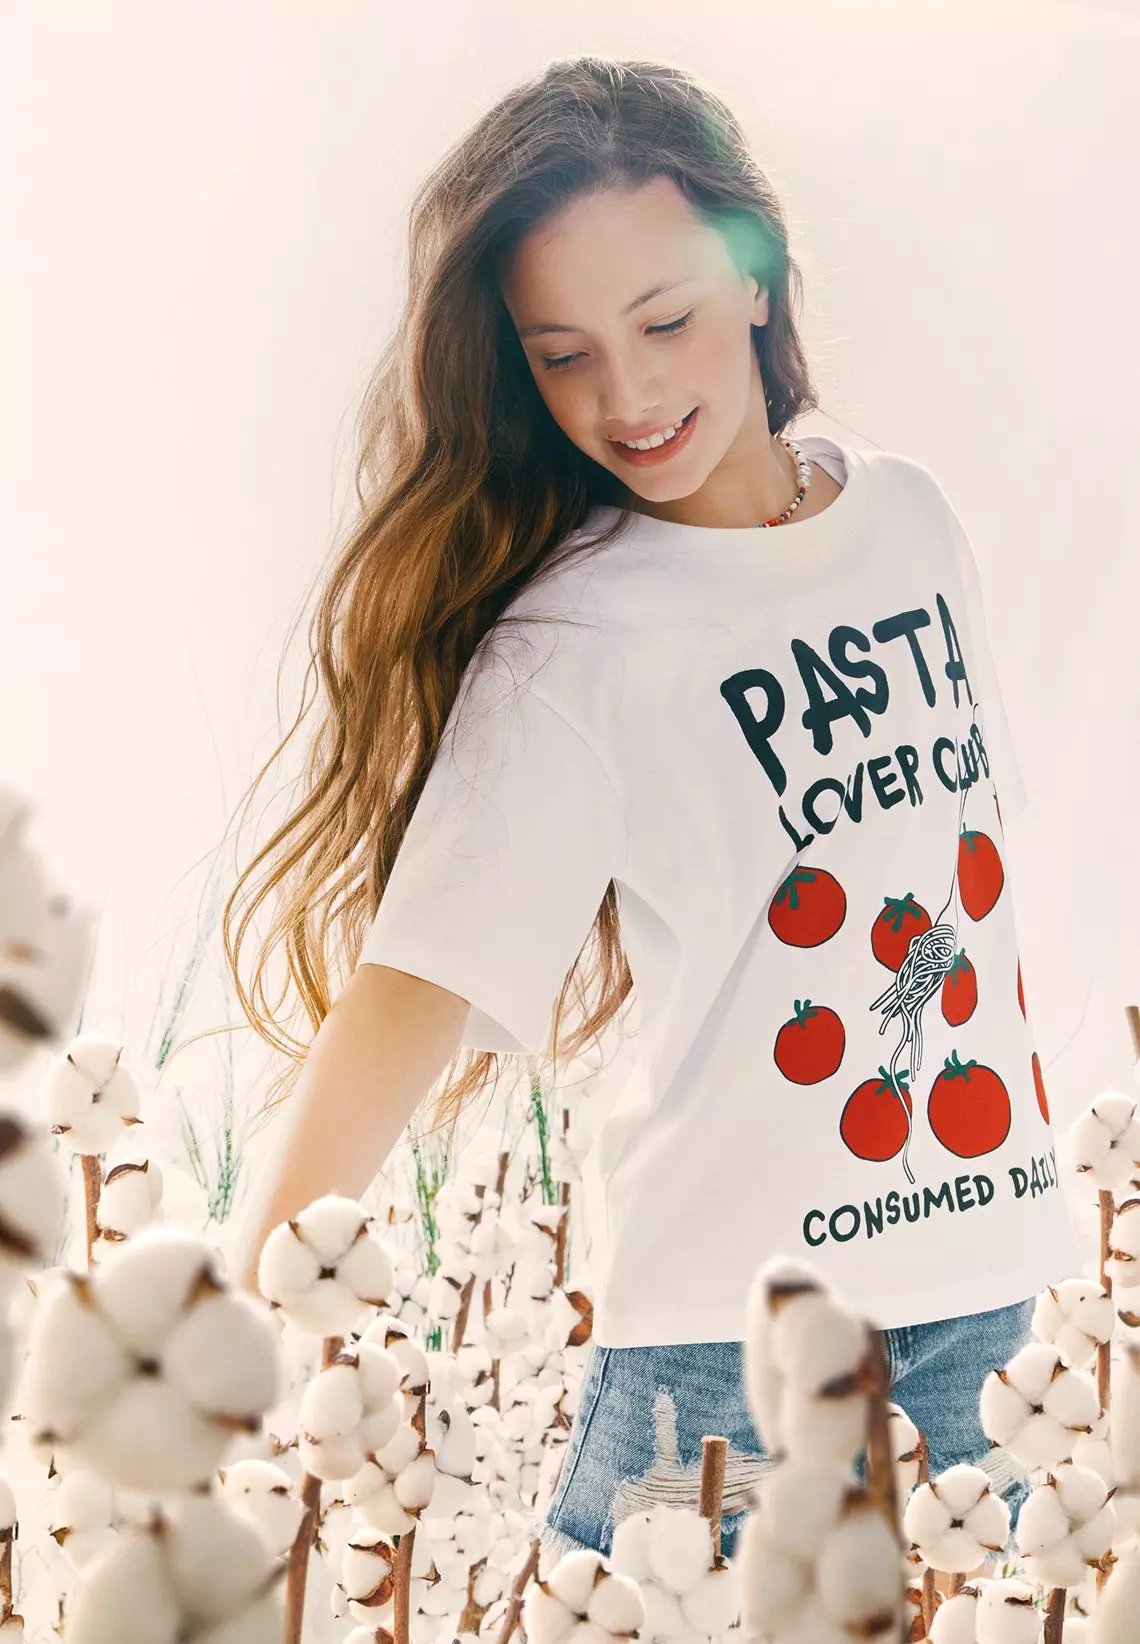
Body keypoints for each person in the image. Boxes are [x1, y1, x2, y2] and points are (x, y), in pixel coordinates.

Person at [227, 57, 1081, 1567]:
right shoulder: (578, 645)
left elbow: (957, 878)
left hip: (989, 1303)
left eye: (666, 321)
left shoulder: (913, 525)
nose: (625, 398)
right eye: (562, 356)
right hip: (728, 1366)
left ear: (758, 279)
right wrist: (204, 1367)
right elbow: (410, 997)